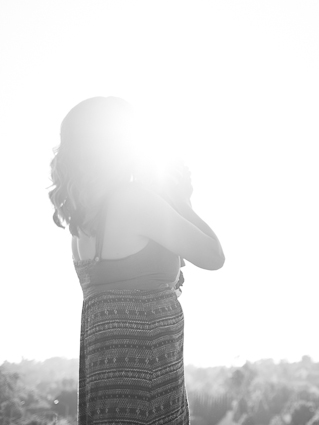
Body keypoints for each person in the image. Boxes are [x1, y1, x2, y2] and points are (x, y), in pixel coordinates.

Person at [49, 97, 225, 425]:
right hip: (148, 370)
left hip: (109, 379)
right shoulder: (135, 201)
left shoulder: (82, 222)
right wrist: (181, 201)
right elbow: (213, 256)